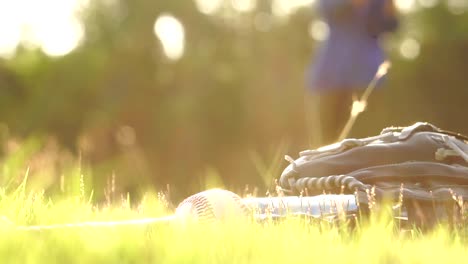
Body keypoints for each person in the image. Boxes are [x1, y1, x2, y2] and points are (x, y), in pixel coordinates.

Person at [305, 0, 398, 147]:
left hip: (369, 77)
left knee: (370, 143)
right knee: (326, 145)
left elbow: (388, 26)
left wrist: (390, 8)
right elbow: (327, 11)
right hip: (331, 76)